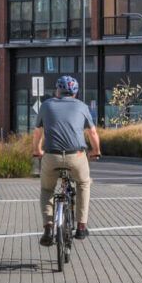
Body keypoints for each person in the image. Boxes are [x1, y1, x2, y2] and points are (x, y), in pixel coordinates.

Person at [32, 75, 101, 245]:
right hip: (76, 156)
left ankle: (48, 228)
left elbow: (37, 133)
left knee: (47, 189)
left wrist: (37, 150)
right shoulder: (82, 106)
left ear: (57, 91)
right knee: (83, 184)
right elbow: (92, 133)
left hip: (51, 155)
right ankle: (82, 226)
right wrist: (96, 151)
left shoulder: (46, 105)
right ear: (75, 93)